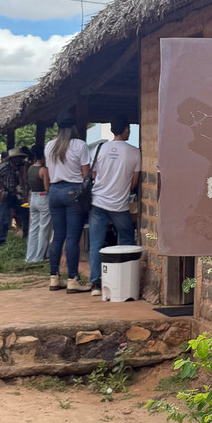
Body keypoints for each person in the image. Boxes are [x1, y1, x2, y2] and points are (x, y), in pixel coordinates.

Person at [87, 119, 141, 295]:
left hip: (98, 202)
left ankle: (95, 283)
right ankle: (125, 279)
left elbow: (93, 174)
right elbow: (134, 182)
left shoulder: (99, 149)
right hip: (119, 204)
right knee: (126, 240)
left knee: (96, 243)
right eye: (129, 129)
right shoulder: (134, 152)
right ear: (125, 129)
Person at [45, 114, 92, 293]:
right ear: (74, 128)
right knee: (73, 238)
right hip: (73, 191)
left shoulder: (49, 146)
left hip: (54, 191)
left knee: (58, 236)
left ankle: (54, 277)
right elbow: (85, 174)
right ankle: (73, 278)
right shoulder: (79, 145)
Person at [0, 147, 30, 246]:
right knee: (4, 218)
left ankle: (26, 235)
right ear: (13, 158)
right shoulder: (5, 166)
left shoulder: (19, 167)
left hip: (15, 194)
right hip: (6, 194)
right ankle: (1, 241)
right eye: (18, 158)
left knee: (25, 213)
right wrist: (2, 185)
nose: (20, 160)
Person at [24, 147, 51, 263]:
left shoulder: (30, 168)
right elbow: (47, 188)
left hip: (33, 198)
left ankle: (30, 256)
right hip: (43, 198)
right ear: (43, 157)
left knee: (33, 228)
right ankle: (39, 257)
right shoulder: (43, 170)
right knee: (43, 229)